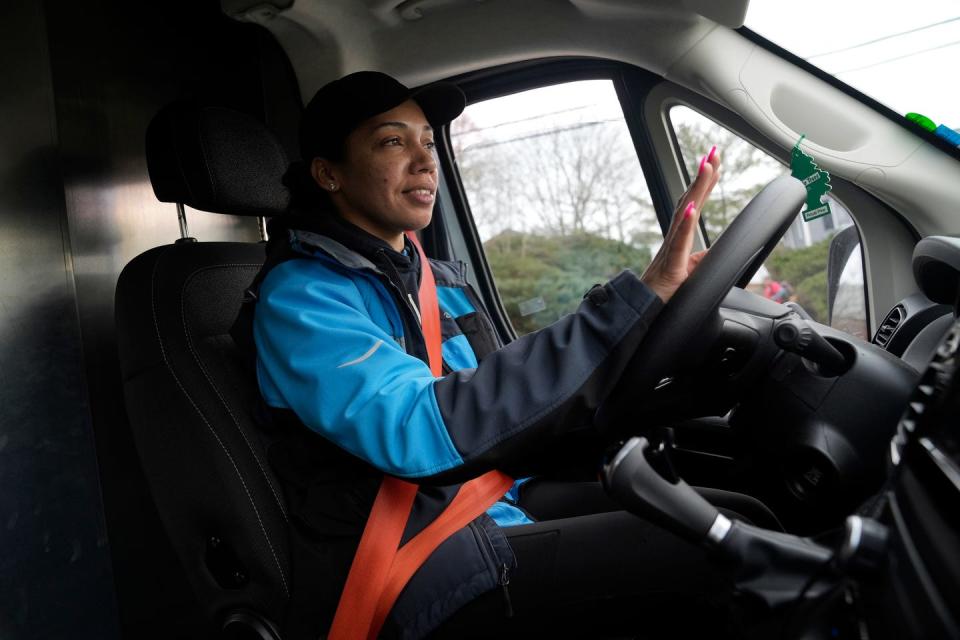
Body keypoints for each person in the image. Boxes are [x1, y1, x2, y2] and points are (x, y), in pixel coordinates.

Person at [249, 71, 758, 639]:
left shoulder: (439, 281)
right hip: (411, 557)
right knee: (728, 556)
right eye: (393, 141)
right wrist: (625, 310)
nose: (424, 160)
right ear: (329, 174)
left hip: (494, 502)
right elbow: (421, 431)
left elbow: (512, 414)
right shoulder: (303, 298)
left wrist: (649, 356)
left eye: (428, 141)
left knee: (742, 517)